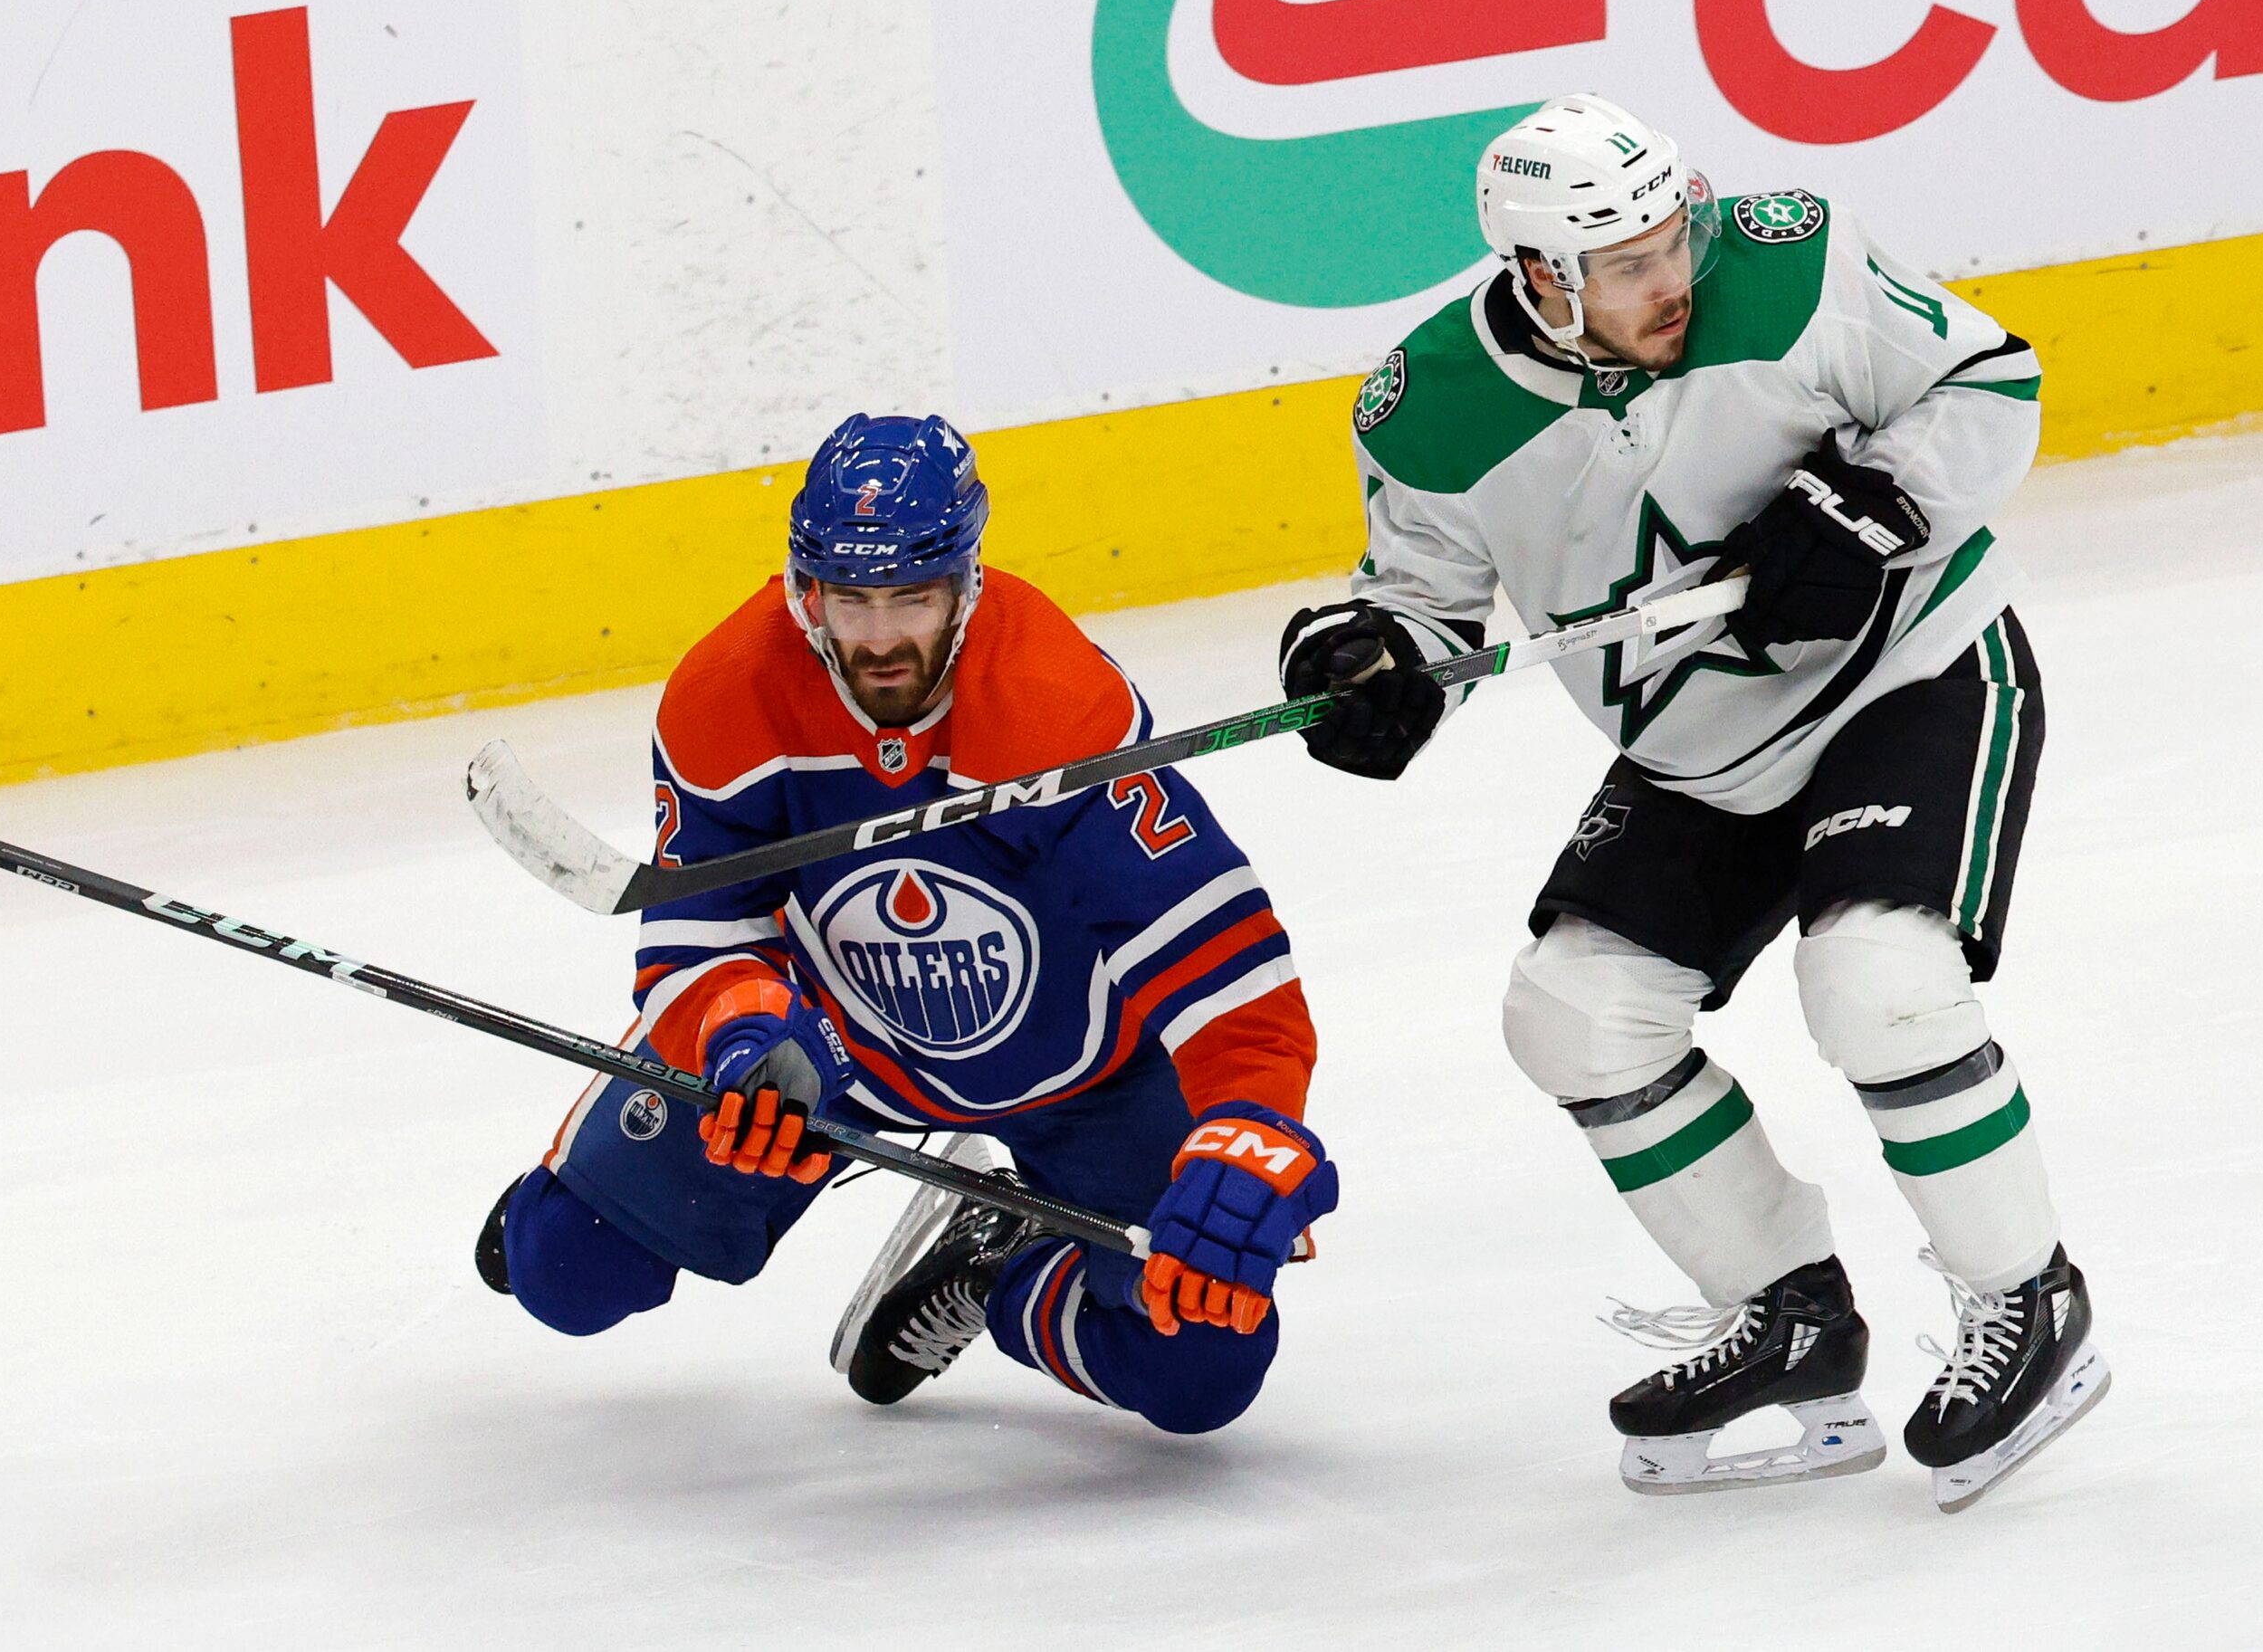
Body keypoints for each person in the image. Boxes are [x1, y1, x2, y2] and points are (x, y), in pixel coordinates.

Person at [1278, 93, 2104, 1507]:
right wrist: (1366, 661)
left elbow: (1990, 382)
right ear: (1540, 277)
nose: (1672, 280)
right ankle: (1788, 1311)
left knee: (1876, 978)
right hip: (1700, 756)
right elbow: (1421, 603)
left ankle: (2029, 1298)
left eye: (1674, 240)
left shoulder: (1789, 264)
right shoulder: (1430, 412)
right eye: (1627, 264)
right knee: (1574, 1012)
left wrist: (1874, 502)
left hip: (1908, 673)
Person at [479, 412, 1337, 1435]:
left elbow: (1217, 958)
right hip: (832, 1049)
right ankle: (598, 1181)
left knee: (1197, 1370)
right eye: (850, 599)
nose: (879, 638)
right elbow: (697, 936)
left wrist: (1248, 1123)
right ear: (807, 589)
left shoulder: (1052, 701)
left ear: (966, 583)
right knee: (559, 1269)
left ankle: (992, 1261)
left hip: (1088, 1076)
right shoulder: (729, 696)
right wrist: (749, 1035)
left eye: (911, 599)